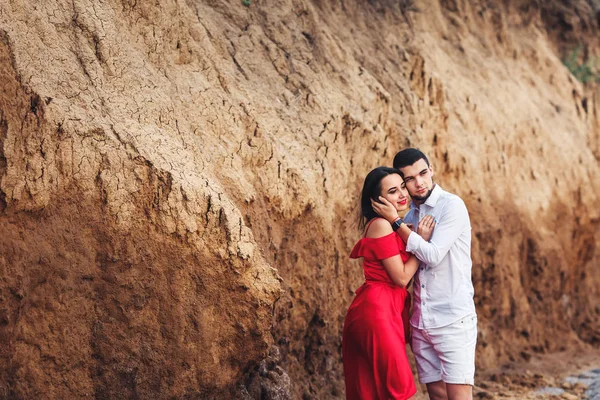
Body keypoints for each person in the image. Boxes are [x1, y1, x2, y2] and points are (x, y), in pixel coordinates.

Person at [372, 148, 477, 400]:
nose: (419, 183)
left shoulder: (452, 206)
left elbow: (432, 255)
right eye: (409, 179)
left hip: (453, 320)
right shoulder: (411, 215)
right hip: (421, 322)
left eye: (422, 173)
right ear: (404, 184)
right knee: (437, 396)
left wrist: (397, 225)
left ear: (432, 170)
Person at [342, 166, 435, 400]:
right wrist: (419, 243)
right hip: (376, 312)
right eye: (393, 191)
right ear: (378, 201)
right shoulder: (381, 225)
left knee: (372, 390)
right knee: (398, 388)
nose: (403, 194)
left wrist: (407, 234)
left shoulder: (392, 227)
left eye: (402, 187)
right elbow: (402, 277)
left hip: (386, 309)